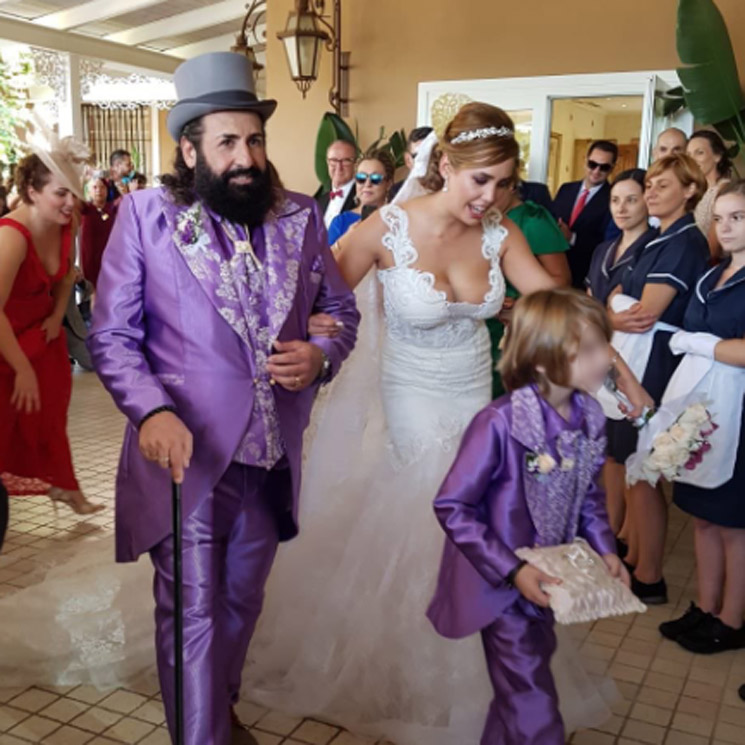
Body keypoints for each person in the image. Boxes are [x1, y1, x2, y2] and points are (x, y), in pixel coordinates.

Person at [247, 103, 650, 745]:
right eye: (478, 181)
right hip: (411, 399)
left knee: (495, 516)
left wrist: (616, 367)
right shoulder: (386, 227)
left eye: (502, 183)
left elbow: (553, 306)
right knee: (433, 522)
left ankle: (494, 669)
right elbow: (319, 296)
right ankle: (420, 674)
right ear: (444, 166)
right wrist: (315, 331)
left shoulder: (499, 233)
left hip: (474, 396)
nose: (489, 198)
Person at [87, 52, 359, 745]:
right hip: (189, 453)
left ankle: (214, 709)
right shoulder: (146, 216)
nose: (246, 157)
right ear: (191, 148)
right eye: (228, 142)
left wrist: (321, 354)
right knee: (195, 611)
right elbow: (114, 334)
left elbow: (341, 309)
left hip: (269, 459)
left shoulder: (297, 216)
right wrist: (151, 409)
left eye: (256, 140)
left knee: (240, 603)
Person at [428, 288, 629, 745]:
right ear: (542, 358)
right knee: (532, 700)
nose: (607, 356)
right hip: (498, 584)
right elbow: (452, 505)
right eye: (592, 348)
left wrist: (605, 550)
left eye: (605, 343)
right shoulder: (498, 423)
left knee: (519, 687)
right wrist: (512, 569)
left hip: (549, 578)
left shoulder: (590, 417)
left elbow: (590, 498)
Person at [610, 154, 709, 604]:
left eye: (661, 186)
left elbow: (642, 313)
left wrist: (613, 303)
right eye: (648, 184)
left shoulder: (684, 241)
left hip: (654, 360)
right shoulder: (656, 239)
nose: (650, 192)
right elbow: (617, 300)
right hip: (632, 354)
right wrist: (614, 303)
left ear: (690, 190)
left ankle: (649, 575)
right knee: (628, 463)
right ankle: (632, 554)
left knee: (644, 468)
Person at [655, 180, 745, 654]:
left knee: (733, 521)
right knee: (702, 516)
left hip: (740, 411)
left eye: (739, 217)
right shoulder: (712, 277)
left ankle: (732, 619)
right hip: (703, 407)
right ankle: (707, 607)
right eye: (720, 217)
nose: (725, 227)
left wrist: (704, 345)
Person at [0, 130, 103, 515]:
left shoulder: (68, 222)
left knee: (52, 413)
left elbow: (65, 276)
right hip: (6, 340)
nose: (71, 202)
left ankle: (65, 486)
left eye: (74, 192)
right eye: (61, 193)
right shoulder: (10, 238)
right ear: (31, 191)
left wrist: (57, 316)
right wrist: (21, 368)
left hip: (41, 333)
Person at [586, 169, 657, 538]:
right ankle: (609, 531)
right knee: (607, 453)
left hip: (634, 361)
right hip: (597, 357)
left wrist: (601, 318)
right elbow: (588, 303)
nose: (622, 207)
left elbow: (637, 318)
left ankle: (627, 535)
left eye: (631, 199)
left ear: (647, 200)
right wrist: (604, 318)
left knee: (629, 454)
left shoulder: (652, 249)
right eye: (616, 200)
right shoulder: (603, 249)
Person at [487, 172, 571, 397]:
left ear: (513, 184)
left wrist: (519, 306)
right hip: (483, 327)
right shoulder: (482, 218)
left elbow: (561, 282)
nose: (488, 195)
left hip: (516, 329)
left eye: (499, 184)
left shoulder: (533, 220)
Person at [552, 140, 618, 288]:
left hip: (585, 275)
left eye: (604, 167)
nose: (596, 171)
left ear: (612, 169)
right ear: (585, 161)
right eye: (592, 164)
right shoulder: (566, 189)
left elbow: (608, 243)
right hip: (554, 269)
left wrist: (572, 238)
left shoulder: (614, 198)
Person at [328, 148, 395, 244]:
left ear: (388, 183)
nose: (367, 184)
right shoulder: (340, 222)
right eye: (361, 178)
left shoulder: (399, 219)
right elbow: (325, 258)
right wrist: (347, 238)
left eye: (375, 178)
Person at [687, 129, 732, 254]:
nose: (692, 160)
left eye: (699, 153)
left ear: (717, 156)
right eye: (689, 155)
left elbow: (714, 247)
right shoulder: (694, 191)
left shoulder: (724, 191)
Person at [79, 171, 118, 291]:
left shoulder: (112, 207)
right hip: (90, 256)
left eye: (102, 187)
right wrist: (82, 180)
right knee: (92, 288)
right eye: (94, 187)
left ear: (107, 190)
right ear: (89, 191)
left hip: (111, 256)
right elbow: (75, 196)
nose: (98, 190)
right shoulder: (85, 208)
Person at [316, 139, 357, 228]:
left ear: (355, 164)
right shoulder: (319, 201)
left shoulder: (362, 198)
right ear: (327, 162)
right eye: (333, 160)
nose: (339, 167)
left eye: (346, 161)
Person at [389, 126, 434, 200]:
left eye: (431, 154)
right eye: (419, 156)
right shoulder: (397, 192)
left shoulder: (451, 190)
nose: (426, 161)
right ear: (408, 160)